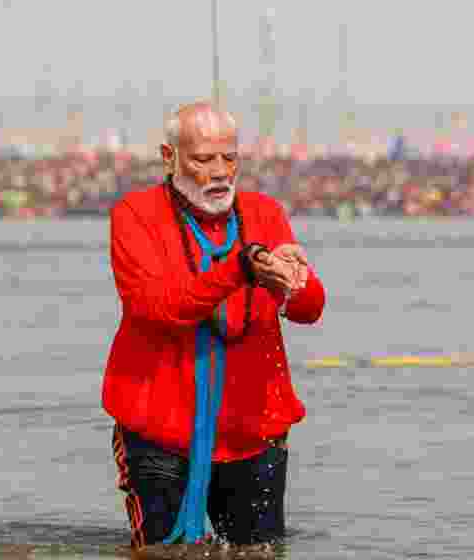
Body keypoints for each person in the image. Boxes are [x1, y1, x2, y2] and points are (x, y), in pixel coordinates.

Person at [103, 100, 326, 549]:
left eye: (229, 158)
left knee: (258, 553)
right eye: (203, 159)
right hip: (158, 430)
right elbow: (158, 307)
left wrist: (293, 284)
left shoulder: (263, 213)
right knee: (163, 553)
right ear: (170, 158)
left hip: (253, 430)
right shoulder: (134, 214)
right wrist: (244, 268)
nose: (220, 171)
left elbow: (310, 308)